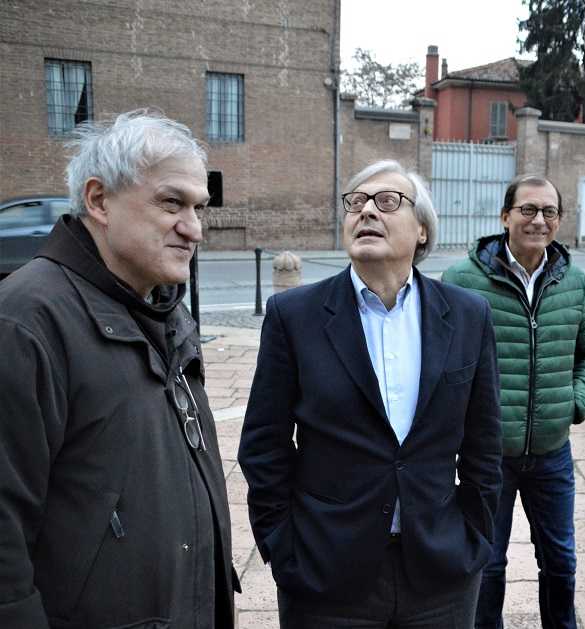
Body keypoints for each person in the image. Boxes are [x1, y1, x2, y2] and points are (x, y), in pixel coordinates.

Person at [238, 159, 503, 629]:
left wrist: (474, 536)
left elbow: (484, 444)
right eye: (356, 202)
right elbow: (263, 445)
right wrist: (283, 546)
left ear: (422, 230)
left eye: (387, 201)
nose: (366, 211)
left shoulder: (468, 316)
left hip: (441, 573)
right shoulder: (294, 316)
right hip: (326, 575)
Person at [0, 110, 237, 628]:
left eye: (199, 207)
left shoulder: (164, 308)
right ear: (99, 200)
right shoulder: (25, 322)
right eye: (171, 203)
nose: (194, 229)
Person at [442, 174, 585, 629]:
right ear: (505, 216)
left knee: (560, 560)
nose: (538, 220)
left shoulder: (573, 281)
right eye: (528, 209)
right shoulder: (462, 280)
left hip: (552, 452)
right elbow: (444, 362)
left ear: (559, 220)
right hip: (489, 456)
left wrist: (576, 402)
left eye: (549, 211)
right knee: (488, 563)